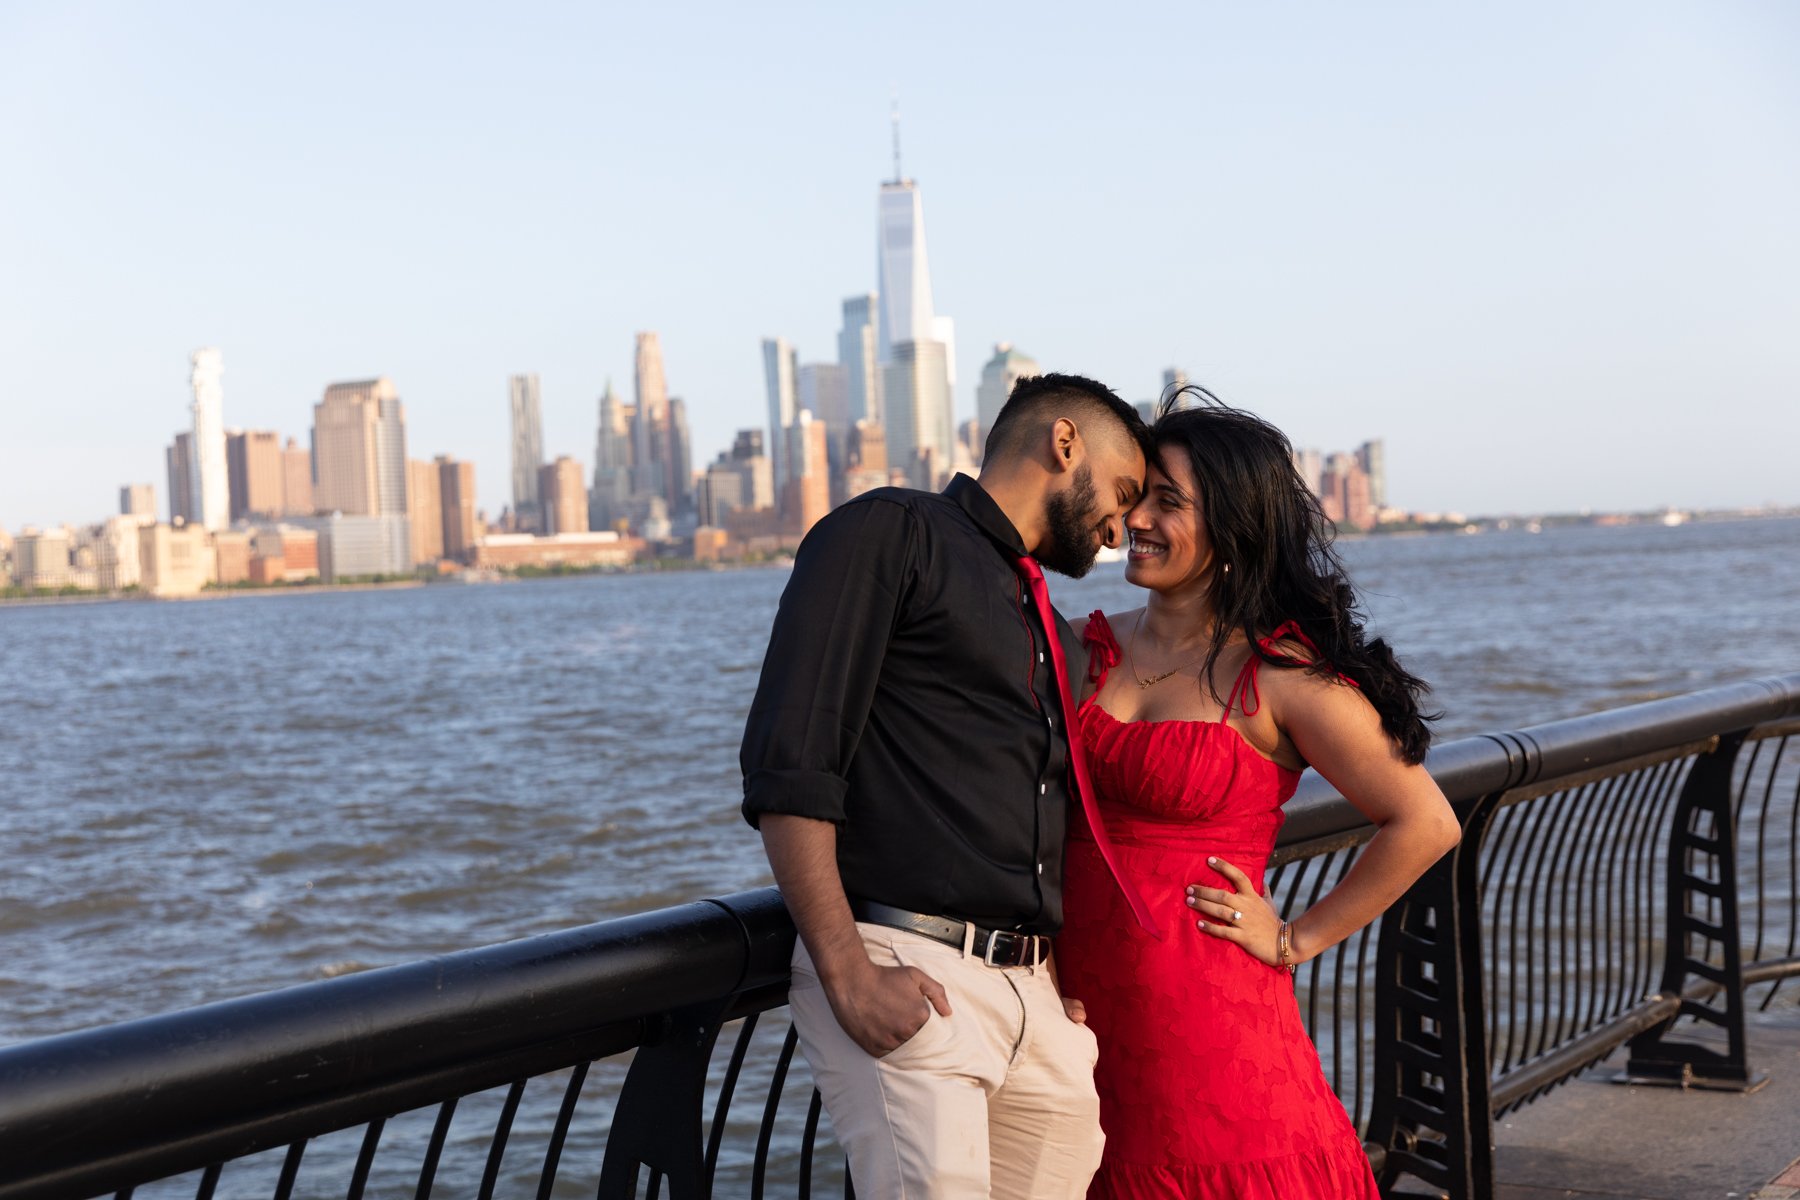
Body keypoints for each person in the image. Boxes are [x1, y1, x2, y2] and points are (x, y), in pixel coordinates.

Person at [741, 373, 1158, 1200]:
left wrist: (1045, 986)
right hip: (909, 970)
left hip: (1034, 1000)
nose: (1120, 528)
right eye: (1121, 491)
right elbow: (792, 765)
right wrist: (847, 972)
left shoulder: (1051, 631)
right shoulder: (889, 532)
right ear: (1063, 444)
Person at [1055, 392, 1461, 1200]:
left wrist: (1296, 939)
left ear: (1233, 528)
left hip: (1212, 1024)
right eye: (1138, 496)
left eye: (1169, 503)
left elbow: (1425, 820)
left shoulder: (1276, 672)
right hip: (1075, 1009)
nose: (1138, 519)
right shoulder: (1081, 645)